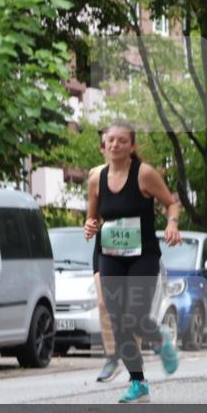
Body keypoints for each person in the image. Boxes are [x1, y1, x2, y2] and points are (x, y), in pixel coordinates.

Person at [84, 121, 181, 403]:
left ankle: (160, 338)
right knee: (118, 321)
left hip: (144, 256)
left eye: (122, 140)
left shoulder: (144, 174)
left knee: (134, 316)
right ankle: (138, 383)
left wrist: (172, 223)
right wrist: (90, 227)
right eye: (110, 140)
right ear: (104, 145)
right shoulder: (96, 179)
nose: (115, 144)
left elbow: (170, 203)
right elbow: (93, 218)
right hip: (111, 255)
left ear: (132, 146)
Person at [90, 135, 123, 383]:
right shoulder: (95, 175)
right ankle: (111, 357)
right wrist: (90, 225)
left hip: (130, 242)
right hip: (104, 242)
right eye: (105, 144)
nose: (109, 148)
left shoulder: (135, 174)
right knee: (103, 303)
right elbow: (93, 212)